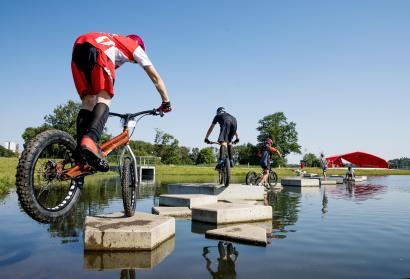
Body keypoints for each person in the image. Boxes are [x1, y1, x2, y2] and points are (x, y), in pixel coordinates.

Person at [71, 32, 171, 171]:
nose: (133, 62)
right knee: (104, 97)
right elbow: (156, 78)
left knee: (88, 101)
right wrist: (166, 101)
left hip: (78, 48)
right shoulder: (134, 47)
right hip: (98, 49)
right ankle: (90, 140)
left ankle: (80, 152)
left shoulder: (115, 43)